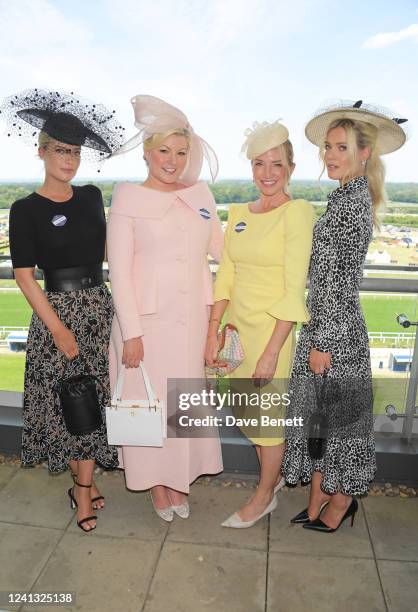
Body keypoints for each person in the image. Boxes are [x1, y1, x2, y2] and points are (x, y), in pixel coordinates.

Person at [282, 100, 408, 532]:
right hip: (329, 328)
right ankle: (319, 497)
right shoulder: (348, 196)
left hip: (334, 335)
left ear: (364, 153)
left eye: (341, 147)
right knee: (327, 421)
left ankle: (341, 503)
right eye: (328, 148)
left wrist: (322, 343)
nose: (331, 156)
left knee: (342, 425)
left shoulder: (353, 203)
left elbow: (336, 282)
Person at [4, 88, 124, 532]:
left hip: (98, 309)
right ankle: (83, 485)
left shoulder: (92, 196)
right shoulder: (25, 210)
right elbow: (23, 276)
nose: (69, 160)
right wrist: (57, 329)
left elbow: (111, 253)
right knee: (71, 404)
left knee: (92, 402)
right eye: (60, 151)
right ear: (41, 151)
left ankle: (84, 486)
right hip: (57, 314)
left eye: (74, 152)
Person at [107, 94, 223, 522]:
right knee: (148, 407)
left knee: (183, 408)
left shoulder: (201, 197)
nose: (172, 161)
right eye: (163, 151)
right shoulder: (127, 199)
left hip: (191, 323)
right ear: (146, 152)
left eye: (180, 152)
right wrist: (131, 332)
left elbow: (222, 255)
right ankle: (155, 484)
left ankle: (177, 479)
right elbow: (118, 271)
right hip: (146, 328)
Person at [205, 120, 315, 528]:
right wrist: (214, 329)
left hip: (273, 334)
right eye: (258, 164)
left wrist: (271, 352)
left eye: (276, 164)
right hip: (237, 332)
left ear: (290, 167)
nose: (267, 173)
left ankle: (264, 494)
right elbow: (227, 274)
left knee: (268, 425)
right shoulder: (237, 214)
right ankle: (272, 480)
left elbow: (293, 290)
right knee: (252, 417)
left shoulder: (297, 213)